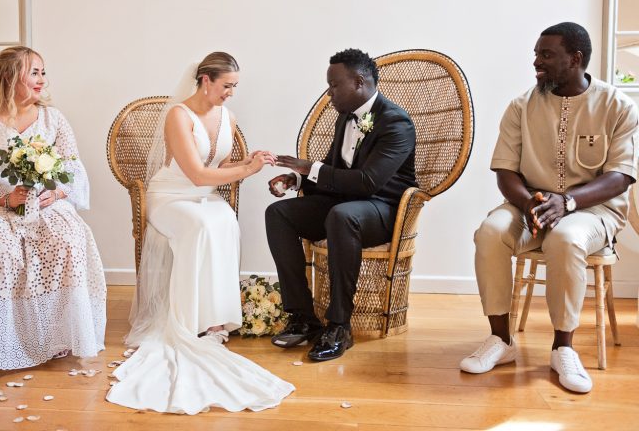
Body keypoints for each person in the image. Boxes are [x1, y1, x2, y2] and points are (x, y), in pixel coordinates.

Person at [106, 52, 294, 414]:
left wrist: (247, 161)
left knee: (224, 221)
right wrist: (247, 172)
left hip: (204, 196)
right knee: (202, 225)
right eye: (227, 86)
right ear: (205, 80)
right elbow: (195, 174)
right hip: (171, 197)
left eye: (235, 87)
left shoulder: (229, 117)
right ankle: (187, 321)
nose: (231, 94)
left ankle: (214, 320)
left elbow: (218, 165)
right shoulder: (179, 116)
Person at [460, 22, 638, 394]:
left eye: (546, 55)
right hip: (531, 203)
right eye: (536, 54)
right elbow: (505, 170)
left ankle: (562, 347)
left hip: (594, 209)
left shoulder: (617, 106)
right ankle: (501, 340)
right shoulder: (520, 106)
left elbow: (621, 176)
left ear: (575, 59)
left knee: (565, 238)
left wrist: (569, 202)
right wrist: (528, 204)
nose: (536, 63)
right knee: (490, 233)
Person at [0, 46, 106, 370]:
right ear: (11, 76)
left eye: (42, 72)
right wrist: (4, 198)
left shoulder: (53, 118)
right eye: (33, 72)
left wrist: (57, 193)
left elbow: (73, 168)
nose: (41, 80)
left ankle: (58, 335)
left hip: (45, 203)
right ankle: (0, 341)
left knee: (66, 238)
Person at [265, 48, 417, 362]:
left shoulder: (396, 122)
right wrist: (297, 180)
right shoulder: (346, 118)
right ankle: (303, 317)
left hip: (382, 211)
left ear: (359, 82)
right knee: (279, 213)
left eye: (334, 85)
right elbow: (338, 171)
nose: (329, 93)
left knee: (341, 215)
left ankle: (339, 325)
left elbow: (368, 182)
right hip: (344, 207)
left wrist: (310, 167)